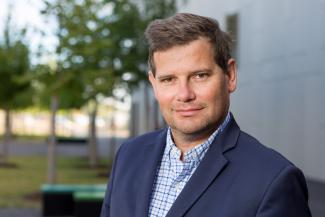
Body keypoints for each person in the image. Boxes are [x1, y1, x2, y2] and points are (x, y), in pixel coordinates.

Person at [100, 13, 312, 217]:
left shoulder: (273, 180)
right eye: (168, 80)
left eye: (200, 76)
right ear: (154, 85)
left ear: (230, 76)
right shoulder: (128, 155)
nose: (184, 95)